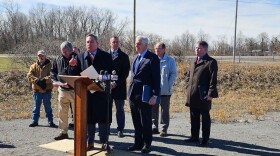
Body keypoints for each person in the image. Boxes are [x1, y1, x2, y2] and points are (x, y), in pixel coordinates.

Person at [71, 34, 113, 151]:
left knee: (103, 119)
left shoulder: (106, 56)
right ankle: (90, 142)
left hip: (101, 94)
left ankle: (104, 142)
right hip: (87, 94)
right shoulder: (80, 57)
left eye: (91, 42)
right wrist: (72, 66)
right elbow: (75, 75)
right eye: (87, 42)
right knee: (89, 119)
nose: (89, 44)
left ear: (97, 43)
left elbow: (111, 74)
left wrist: (102, 78)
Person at [127, 36, 160, 153]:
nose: (137, 45)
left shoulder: (152, 58)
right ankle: (138, 143)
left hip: (145, 96)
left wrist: (155, 95)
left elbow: (156, 78)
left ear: (146, 45)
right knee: (136, 121)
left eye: (139, 43)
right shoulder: (135, 57)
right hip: (133, 95)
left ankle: (147, 144)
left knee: (145, 121)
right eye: (136, 43)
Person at [184, 41, 218, 147]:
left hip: (203, 95)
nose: (196, 50)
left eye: (199, 48)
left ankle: (205, 139)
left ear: (205, 49)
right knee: (193, 116)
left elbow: (213, 80)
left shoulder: (211, 62)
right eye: (195, 48)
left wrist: (210, 94)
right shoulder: (193, 60)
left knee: (205, 118)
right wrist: (187, 87)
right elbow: (189, 76)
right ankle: (194, 137)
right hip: (192, 94)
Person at [51, 41, 77, 140]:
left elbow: (77, 73)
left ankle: (80, 133)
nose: (64, 53)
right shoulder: (58, 59)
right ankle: (63, 132)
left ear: (71, 50)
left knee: (77, 113)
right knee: (62, 112)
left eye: (66, 51)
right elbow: (53, 72)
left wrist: (70, 66)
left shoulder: (77, 58)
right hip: (62, 90)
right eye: (63, 51)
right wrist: (56, 82)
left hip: (75, 91)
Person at [152, 42, 177, 137]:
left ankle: (164, 129)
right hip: (154, 90)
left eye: (159, 48)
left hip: (165, 91)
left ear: (164, 49)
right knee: (153, 109)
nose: (156, 50)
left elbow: (173, 74)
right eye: (155, 48)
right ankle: (154, 127)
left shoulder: (170, 60)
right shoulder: (152, 59)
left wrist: (168, 85)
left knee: (164, 110)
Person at [27, 50, 56, 128]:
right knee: (36, 107)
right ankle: (34, 121)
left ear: (45, 56)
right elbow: (29, 76)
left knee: (48, 107)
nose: (41, 57)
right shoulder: (33, 66)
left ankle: (50, 121)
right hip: (37, 91)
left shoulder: (50, 66)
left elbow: (53, 76)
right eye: (39, 56)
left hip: (47, 91)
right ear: (37, 57)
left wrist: (44, 80)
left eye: (42, 56)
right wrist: (36, 80)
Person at [108, 36, 130, 138]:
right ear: (110, 43)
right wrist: (109, 83)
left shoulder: (124, 56)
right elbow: (102, 71)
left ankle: (120, 129)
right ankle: (106, 128)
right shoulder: (105, 56)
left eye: (117, 42)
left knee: (120, 109)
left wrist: (116, 83)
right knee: (107, 108)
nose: (115, 44)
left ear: (119, 43)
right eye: (113, 42)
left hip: (119, 87)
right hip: (107, 87)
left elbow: (125, 73)